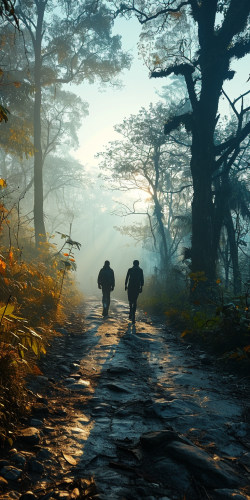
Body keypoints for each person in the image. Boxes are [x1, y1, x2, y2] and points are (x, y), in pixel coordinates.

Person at [125, 260, 144, 324]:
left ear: (133, 263)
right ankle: (134, 315)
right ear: (138, 264)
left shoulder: (130, 269)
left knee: (130, 300)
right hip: (137, 287)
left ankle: (130, 312)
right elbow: (142, 279)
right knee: (135, 300)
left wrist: (125, 285)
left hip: (130, 286)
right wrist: (141, 287)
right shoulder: (140, 270)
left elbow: (127, 278)